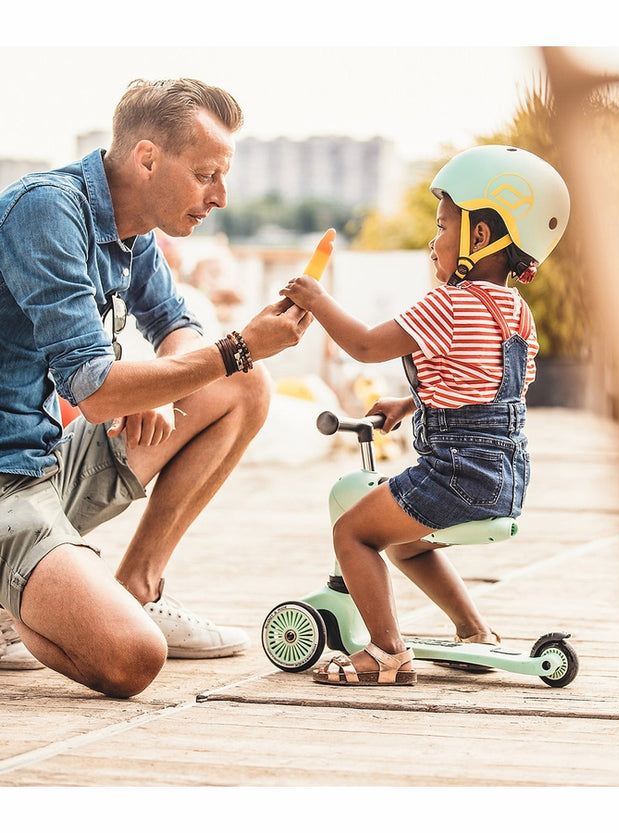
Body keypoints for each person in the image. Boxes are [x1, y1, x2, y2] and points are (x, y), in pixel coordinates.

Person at [0, 79, 311, 695]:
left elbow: (177, 326)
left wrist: (166, 389)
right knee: (133, 659)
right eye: (205, 174)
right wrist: (237, 346)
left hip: (44, 464)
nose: (220, 196)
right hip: (6, 484)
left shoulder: (129, 227)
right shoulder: (46, 210)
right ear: (147, 159)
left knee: (245, 386)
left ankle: (135, 588)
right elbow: (95, 392)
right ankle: (25, 604)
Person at [280, 145, 570, 686]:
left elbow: (366, 347)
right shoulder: (517, 313)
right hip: (505, 478)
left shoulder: (445, 304)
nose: (432, 240)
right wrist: (410, 402)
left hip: (453, 475)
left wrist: (318, 300)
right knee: (407, 545)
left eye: (442, 226)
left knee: (354, 534)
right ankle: (474, 631)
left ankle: (387, 651)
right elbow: (494, 390)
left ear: (479, 239)